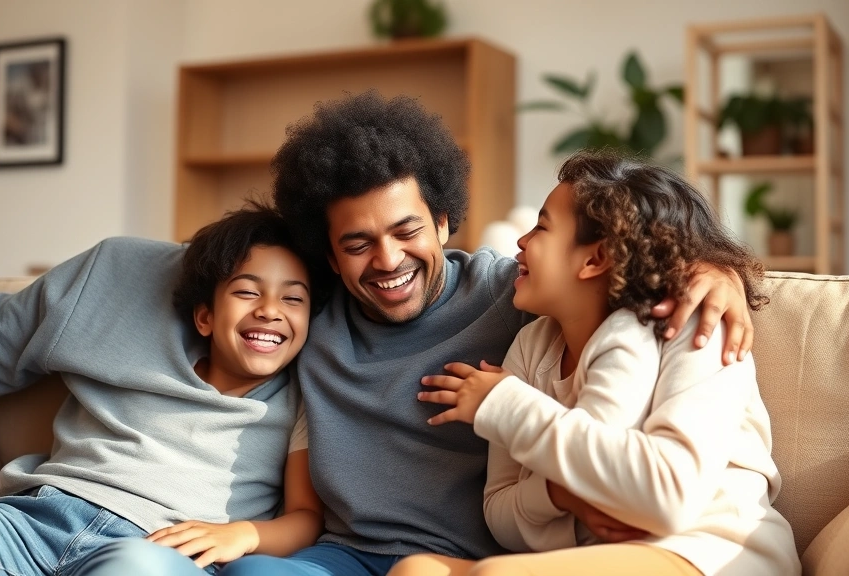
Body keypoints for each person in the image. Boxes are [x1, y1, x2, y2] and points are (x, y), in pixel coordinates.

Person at [217, 92, 758, 576]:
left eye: (407, 231)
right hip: (348, 553)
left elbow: (624, 263)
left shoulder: (513, 294)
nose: (387, 260)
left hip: (479, 554)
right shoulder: (307, 316)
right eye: (357, 245)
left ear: (445, 222)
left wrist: (711, 270)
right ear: (329, 256)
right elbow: (232, 309)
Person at [390, 151, 799, 575]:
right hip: (593, 558)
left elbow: (669, 498)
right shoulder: (532, 346)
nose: (522, 242)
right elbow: (500, 513)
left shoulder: (694, 324)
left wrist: (502, 404)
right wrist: (559, 495)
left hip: (708, 553)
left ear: (595, 258)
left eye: (542, 226)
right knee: (416, 571)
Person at [0, 202, 324, 576]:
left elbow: (305, 517)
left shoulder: (301, 398)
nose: (269, 310)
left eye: (292, 298)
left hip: (155, 552)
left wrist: (241, 533)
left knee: (137, 569)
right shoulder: (121, 326)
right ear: (204, 317)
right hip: (34, 522)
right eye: (247, 292)